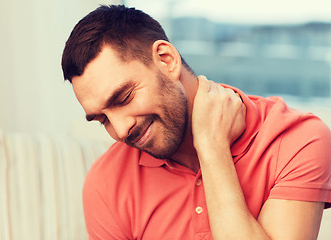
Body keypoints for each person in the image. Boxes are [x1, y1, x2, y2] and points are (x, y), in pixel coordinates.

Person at [61, 5, 331, 240]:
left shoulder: (298, 139)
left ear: (166, 60)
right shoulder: (106, 182)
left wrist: (212, 148)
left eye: (124, 97)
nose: (120, 130)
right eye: (102, 120)